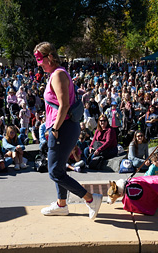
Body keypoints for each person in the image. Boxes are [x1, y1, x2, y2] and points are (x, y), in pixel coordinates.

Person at [34, 41, 102, 219]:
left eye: (40, 59)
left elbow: (63, 105)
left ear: (50, 57)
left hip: (62, 127)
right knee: (60, 169)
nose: (38, 63)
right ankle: (61, 204)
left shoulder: (58, 75)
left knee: (54, 172)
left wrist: (55, 128)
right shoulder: (59, 74)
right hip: (64, 126)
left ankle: (89, 199)